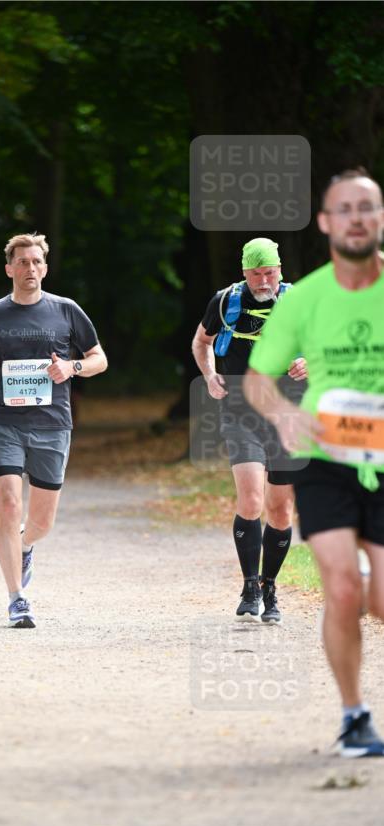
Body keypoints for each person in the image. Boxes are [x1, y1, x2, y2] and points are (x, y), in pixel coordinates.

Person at [244, 168, 384, 757]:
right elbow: (257, 379)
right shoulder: (304, 301)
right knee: (343, 589)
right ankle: (354, 715)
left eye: (368, 208)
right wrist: (281, 414)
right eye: (344, 208)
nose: (357, 217)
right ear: (326, 223)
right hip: (325, 458)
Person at [0, 233, 108, 628]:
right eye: (22, 262)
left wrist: (72, 367)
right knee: (9, 505)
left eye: (36, 262)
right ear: (9, 269)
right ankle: (17, 598)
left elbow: (99, 359)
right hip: (4, 422)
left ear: (45, 267)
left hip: (52, 425)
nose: (30, 268)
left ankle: (25, 545)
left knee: (41, 523)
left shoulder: (65, 310)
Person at [192, 238, 307, 623]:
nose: (263, 280)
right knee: (251, 500)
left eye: (270, 272)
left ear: (280, 269)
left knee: (280, 508)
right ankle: (250, 584)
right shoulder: (225, 302)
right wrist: (209, 375)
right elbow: (202, 341)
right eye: (256, 273)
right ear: (244, 273)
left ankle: (271, 588)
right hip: (240, 411)